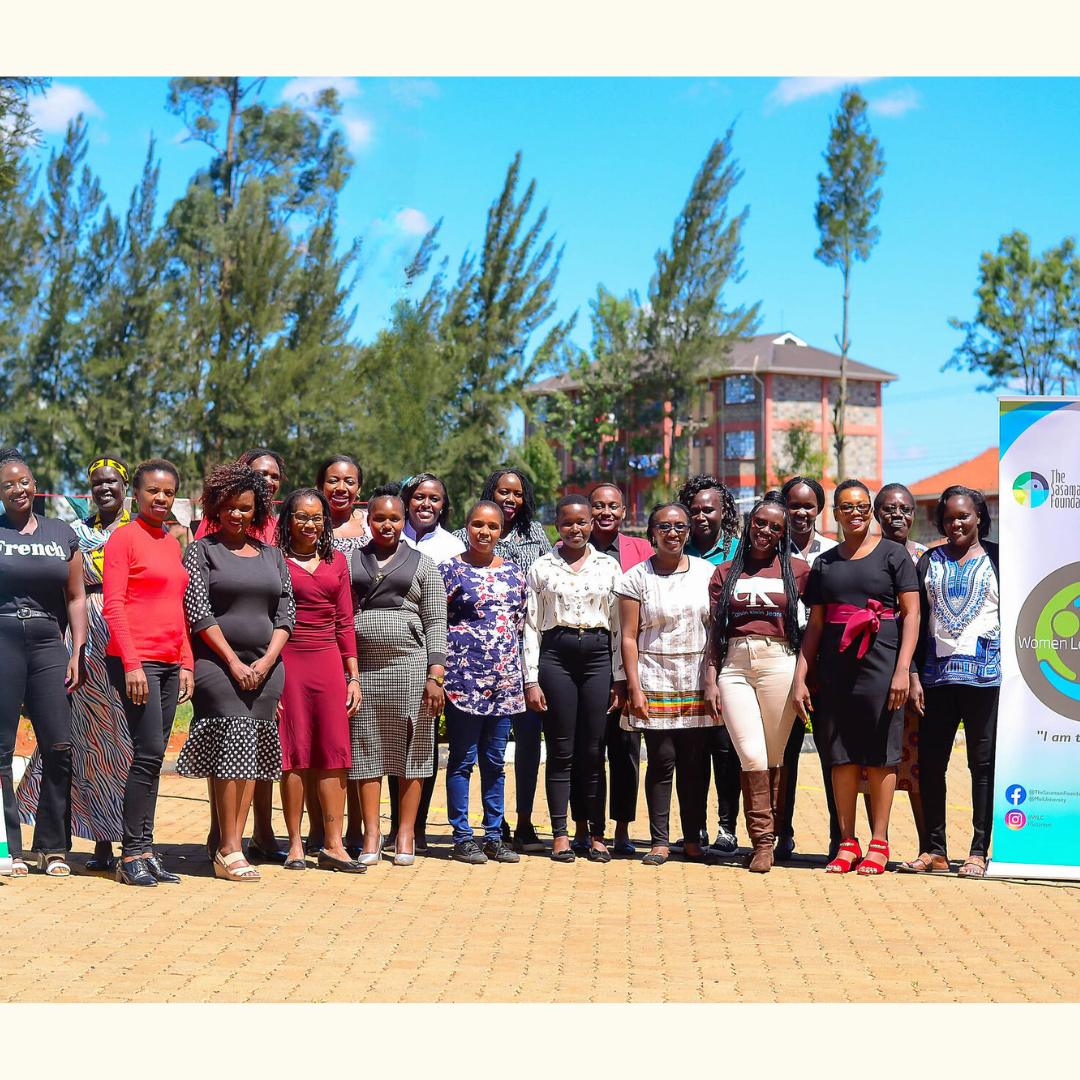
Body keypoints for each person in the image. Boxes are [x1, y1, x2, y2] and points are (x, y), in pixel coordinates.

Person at [792, 479, 920, 875]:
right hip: (834, 668)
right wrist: (801, 676)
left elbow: (911, 614)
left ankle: (879, 842)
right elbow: (814, 625)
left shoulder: (894, 555)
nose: (855, 513)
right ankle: (848, 842)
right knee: (840, 755)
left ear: (871, 510)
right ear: (835, 513)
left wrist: (903, 670)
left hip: (883, 664)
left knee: (881, 754)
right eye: (846, 507)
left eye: (862, 506)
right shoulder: (825, 563)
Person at [177, 464, 295, 883]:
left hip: (267, 669)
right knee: (232, 746)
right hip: (218, 665)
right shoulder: (201, 550)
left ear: (258, 510)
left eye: (245, 508)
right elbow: (197, 610)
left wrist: (264, 663)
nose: (236, 515)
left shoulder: (273, 555)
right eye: (228, 507)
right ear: (215, 507)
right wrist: (233, 661)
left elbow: (285, 614)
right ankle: (231, 848)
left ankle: (221, 838)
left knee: (250, 747)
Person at [16, 454, 134, 872]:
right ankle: (70, 839)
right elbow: (68, 593)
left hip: (125, 637)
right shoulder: (72, 533)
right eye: (97, 483)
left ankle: (122, 839)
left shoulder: (139, 530)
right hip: (80, 642)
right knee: (75, 739)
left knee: (120, 742)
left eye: (112, 482)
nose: (105, 489)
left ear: (126, 488)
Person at [704, 492, 809, 873]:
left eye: (774, 527)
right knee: (750, 754)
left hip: (779, 661)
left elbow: (812, 627)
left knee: (776, 757)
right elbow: (716, 631)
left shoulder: (797, 570)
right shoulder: (725, 571)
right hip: (735, 664)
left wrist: (803, 676)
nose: (765, 531)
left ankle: (770, 839)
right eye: (760, 523)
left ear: (783, 533)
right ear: (750, 524)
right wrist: (711, 677)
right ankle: (763, 842)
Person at [102, 459, 194, 886]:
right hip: (135, 662)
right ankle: (131, 854)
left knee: (154, 757)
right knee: (147, 752)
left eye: (169, 492)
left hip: (170, 661)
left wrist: (187, 662)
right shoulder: (123, 538)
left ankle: (147, 849)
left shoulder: (172, 543)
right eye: (153, 491)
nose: (161, 498)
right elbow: (113, 605)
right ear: (135, 494)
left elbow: (178, 607)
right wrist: (133, 662)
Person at [899, 486, 999, 879]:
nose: (956, 523)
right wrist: (912, 675)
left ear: (979, 518)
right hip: (935, 679)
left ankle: (978, 850)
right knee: (930, 765)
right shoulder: (929, 561)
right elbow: (917, 621)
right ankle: (935, 850)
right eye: (948, 518)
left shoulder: (999, 558)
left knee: (983, 765)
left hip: (986, 680)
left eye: (964, 516)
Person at [455, 467, 552, 855]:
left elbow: (533, 606)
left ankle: (514, 826)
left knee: (512, 752)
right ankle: (470, 834)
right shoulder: (459, 552)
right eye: (502, 492)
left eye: (516, 493)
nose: (510, 499)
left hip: (514, 669)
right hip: (467, 675)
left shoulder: (533, 540)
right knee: (466, 758)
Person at [347, 493, 447, 868]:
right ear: (367, 520)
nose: (386, 525)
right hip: (363, 671)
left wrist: (435, 675)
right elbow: (341, 615)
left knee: (414, 750)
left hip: (411, 668)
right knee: (365, 749)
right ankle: (372, 834)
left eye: (394, 518)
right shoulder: (350, 560)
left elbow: (437, 620)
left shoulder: (423, 564)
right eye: (379, 518)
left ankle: (405, 833)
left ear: (403, 520)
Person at [0, 447, 87, 877]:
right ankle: (9, 849)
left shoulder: (60, 532)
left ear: (35, 485)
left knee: (59, 745)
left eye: (23, 481)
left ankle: (52, 848)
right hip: (2, 640)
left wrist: (76, 650)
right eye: (8, 485)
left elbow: (76, 597)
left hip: (49, 643)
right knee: (1, 748)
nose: (18, 489)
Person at [524, 494, 625, 863]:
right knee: (561, 750)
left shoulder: (609, 566)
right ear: (557, 525)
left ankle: (597, 835)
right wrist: (531, 680)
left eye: (582, 522)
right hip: (556, 656)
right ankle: (562, 834)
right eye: (567, 522)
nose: (576, 529)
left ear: (591, 524)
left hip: (598, 656)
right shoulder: (542, 568)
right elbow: (532, 627)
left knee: (594, 750)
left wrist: (619, 677)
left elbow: (617, 626)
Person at [617, 502, 717, 866]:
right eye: (664, 526)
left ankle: (692, 840)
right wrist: (634, 687)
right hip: (653, 676)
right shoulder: (635, 578)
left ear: (688, 532)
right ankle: (659, 841)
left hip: (696, 677)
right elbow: (628, 637)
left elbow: (715, 630)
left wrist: (713, 679)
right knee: (661, 761)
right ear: (652, 532)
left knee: (695, 763)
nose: (672, 533)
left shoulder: (708, 573)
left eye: (679, 527)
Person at [276, 488, 364, 873]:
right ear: (288, 521)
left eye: (317, 518)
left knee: (333, 752)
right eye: (302, 517)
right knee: (293, 752)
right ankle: (295, 844)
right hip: (289, 660)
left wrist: (353, 676)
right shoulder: (275, 561)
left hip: (328, 660)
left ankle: (333, 844)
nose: (310, 524)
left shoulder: (337, 561)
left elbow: (345, 621)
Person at [569, 483, 654, 856]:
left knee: (624, 750)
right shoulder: (568, 550)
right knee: (584, 750)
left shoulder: (641, 550)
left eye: (613, 506)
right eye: (598, 506)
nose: (605, 512)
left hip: (629, 660)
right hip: (580, 661)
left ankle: (621, 828)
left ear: (623, 511)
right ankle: (584, 827)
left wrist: (627, 676)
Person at [384, 472, 466, 856]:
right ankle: (392, 826)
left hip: (436, 654)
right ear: (405, 501)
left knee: (423, 742)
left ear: (444, 506)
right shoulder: (387, 536)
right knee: (388, 740)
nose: (426, 504)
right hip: (389, 659)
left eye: (435, 499)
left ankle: (414, 827)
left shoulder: (453, 546)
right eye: (419, 497)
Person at [440, 500, 526, 865]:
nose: (484, 532)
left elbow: (520, 627)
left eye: (492, 526)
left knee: (494, 761)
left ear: (501, 531)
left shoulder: (514, 573)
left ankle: (493, 835)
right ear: (467, 526)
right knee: (462, 760)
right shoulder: (448, 571)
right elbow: (436, 622)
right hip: (463, 680)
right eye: (477, 525)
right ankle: (462, 837)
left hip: (505, 680)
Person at [861, 483, 929, 847]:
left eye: (904, 508)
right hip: (877, 669)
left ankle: (927, 847)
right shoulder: (867, 554)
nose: (897, 515)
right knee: (874, 761)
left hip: (917, 672)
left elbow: (922, 619)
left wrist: (914, 671)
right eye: (888, 508)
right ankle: (878, 842)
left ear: (914, 514)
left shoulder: (927, 557)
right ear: (876, 514)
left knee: (916, 766)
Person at [677, 474, 742, 856]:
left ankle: (727, 828)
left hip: (728, 659)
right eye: (694, 510)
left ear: (723, 512)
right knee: (692, 751)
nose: (701, 517)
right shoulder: (676, 547)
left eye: (708, 510)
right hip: (684, 662)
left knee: (724, 748)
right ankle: (695, 826)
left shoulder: (737, 550)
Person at [775, 475, 839, 862]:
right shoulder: (767, 550)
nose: (800, 513)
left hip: (829, 663)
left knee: (834, 754)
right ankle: (781, 834)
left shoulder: (833, 553)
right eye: (793, 505)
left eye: (808, 506)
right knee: (785, 753)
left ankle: (840, 836)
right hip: (783, 660)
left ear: (819, 510)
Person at [315, 453, 369, 853]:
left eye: (349, 481)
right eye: (333, 480)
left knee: (354, 742)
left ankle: (355, 831)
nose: (341, 488)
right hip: (315, 645)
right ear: (321, 485)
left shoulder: (373, 530)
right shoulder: (306, 526)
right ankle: (320, 829)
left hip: (365, 645)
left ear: (360, 489)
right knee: (321, 741)